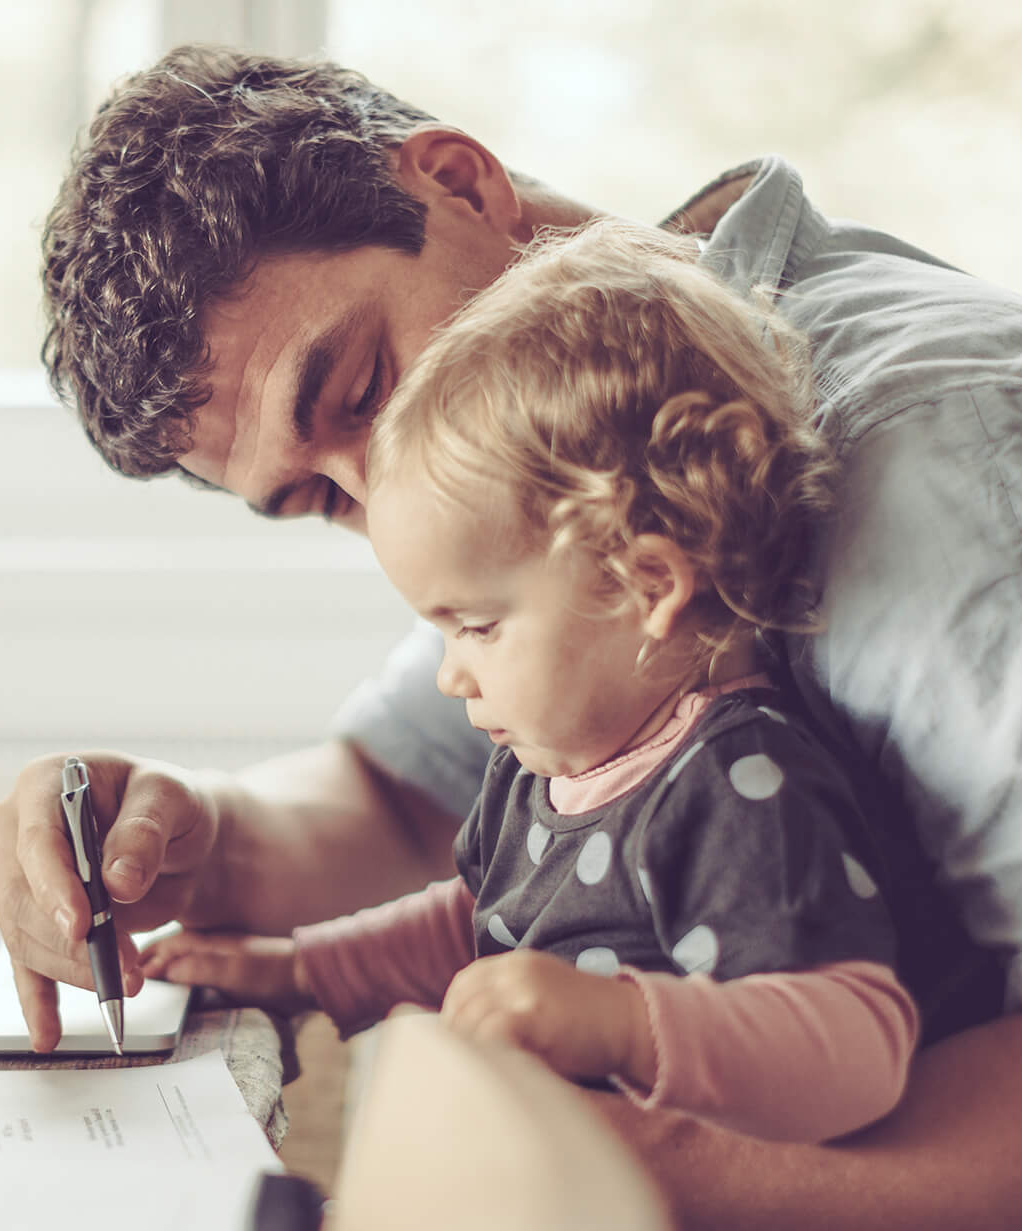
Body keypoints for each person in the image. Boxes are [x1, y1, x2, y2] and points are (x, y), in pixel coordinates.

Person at [0, 43, 1022, 1231]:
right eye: (319, 502)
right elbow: (406, 801)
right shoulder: (568, 428)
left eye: (360, 391)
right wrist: (185, 839)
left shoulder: (940, 464)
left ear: (460, 182)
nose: (380, 501)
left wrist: (588, 1174)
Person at [145, 216, 925, 1149]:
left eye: (475, 626)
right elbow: (477, 924)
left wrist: (617, 1022)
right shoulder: (547, 770)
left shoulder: (740, 788)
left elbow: (859, 1046)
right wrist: (296, 972)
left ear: (647, 585)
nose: (449, 674)